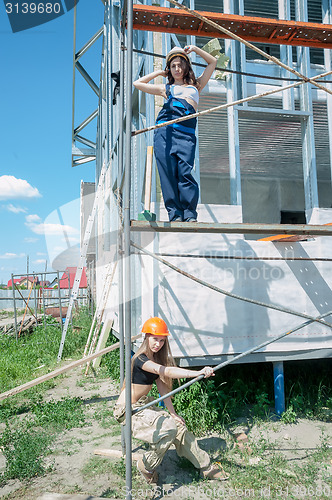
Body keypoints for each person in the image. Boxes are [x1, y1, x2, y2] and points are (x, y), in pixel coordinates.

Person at [113, 317, 229, 484]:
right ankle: (146, 465)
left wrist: (173, 413)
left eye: (162, 340)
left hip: (143, 405)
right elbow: (166, 371)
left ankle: (205, 467)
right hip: (127, 410)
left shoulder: (155, 359)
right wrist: (197, 373)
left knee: (178, 427)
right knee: (168, 429)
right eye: (154, 339)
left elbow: (163, 391)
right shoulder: (141, 359)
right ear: (146, 337)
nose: (158, 344)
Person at [133, 45, 217, 222]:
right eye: (173, 66)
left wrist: (195, 49)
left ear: (186, 66)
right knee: (168, 174)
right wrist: (158, 73)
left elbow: (212, 62)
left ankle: (189, 213)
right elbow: (137, 84)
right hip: (165, 132)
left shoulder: (196, 85)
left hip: (186, 134)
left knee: (185, 173)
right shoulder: (166, 88)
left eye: (180, 65)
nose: (177, 69)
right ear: (169, 69)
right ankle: (175, 214)